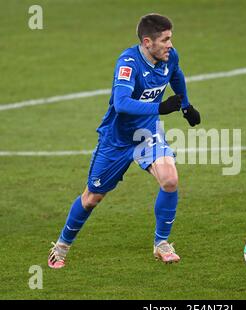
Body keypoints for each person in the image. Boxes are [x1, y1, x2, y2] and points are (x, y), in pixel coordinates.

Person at [48, 13, 201, 269]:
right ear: (147, 42)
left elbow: (176, 75)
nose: (170, 45)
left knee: (170, 179)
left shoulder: (169, 57)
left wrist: (186, 105)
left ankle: (161, 243)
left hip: (147, 134)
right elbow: (121, 104)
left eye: (171, 38)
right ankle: (62, 244)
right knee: (92, 198)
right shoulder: (128, 63)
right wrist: (160, 108)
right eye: (165, 40)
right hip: (116, 140)